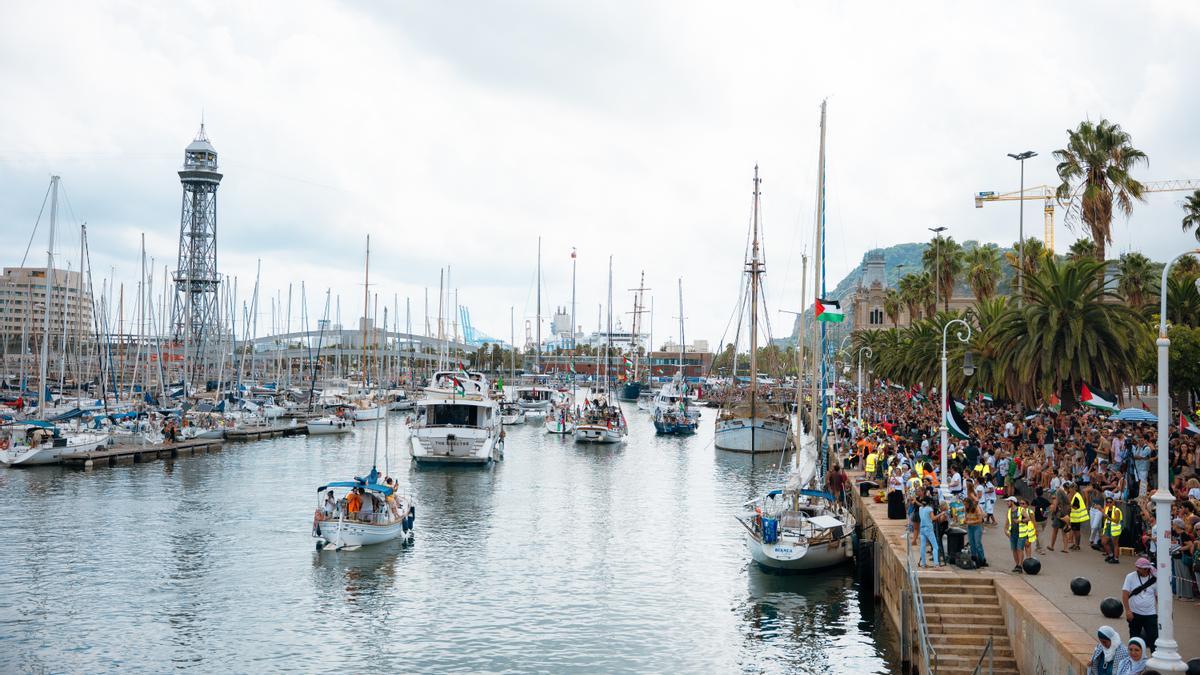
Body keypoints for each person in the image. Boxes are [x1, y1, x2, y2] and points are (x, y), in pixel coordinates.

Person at [1122, 557, 1158, 651]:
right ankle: (1133, 661)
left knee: (1154, 639)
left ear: (1146, 569)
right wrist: (1128, 611)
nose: (1137, 569)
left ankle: (1155, 661)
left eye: (1139, 568)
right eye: (1136, 567)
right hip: (1134, 613)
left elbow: (1158, 596)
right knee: (1134, 639)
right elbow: (1125, 594)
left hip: (1150, 614)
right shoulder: (1130, 576)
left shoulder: (1155, 579)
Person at [917, 496, 944, 567]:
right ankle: (936, 564)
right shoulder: (929, 509)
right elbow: (933, 518)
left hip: (922, 529)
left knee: (922, 547)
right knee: (935, 547)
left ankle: (923, 563)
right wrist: (941, 514)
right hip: (928, 529)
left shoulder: (920, 508)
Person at [964, 495, 987, 567]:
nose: (965, 506)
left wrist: (970, 522)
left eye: (966, 504)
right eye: (964, 504)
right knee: (971, 543)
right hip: (970, 527)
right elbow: (966, 518)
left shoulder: (976, 509)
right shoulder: (966, 509)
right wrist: (965, 521)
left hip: (977, 527)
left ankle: (982, 559)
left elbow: (980, 520)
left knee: (978, 543)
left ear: (969, 504)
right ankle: (974, 558)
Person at [1005, 496, 1026, 573]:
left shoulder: (1021, 509)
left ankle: (1020, 565)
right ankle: (1017, 565)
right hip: (1012, 533)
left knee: (1019, 549)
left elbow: (1028, 518)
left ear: (1012, 502)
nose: (1007, 503)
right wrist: (1005, 530)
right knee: (1014, 549)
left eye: (1008, 501)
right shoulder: (1009, 511)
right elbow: (1007, 522)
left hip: (1021, 533)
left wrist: (1020, 520)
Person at [1102, 496, 1124, 564]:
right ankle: (1111, 555)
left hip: (1115, 529)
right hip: (1108, 527)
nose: (1109, 503)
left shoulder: (1116, 510)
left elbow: (1117, 521)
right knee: (1104, 542)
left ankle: (1116, 558)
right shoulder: (1106, 509)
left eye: (1110, 502)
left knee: (1115, 544)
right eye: (1107, 502)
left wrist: (1108, 518)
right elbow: (1104, 520)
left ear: (1113, 503)